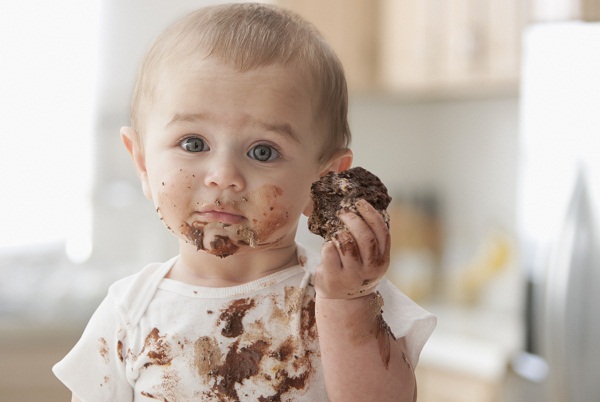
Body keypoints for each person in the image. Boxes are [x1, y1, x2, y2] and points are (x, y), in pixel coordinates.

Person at [53, 3, 436, 401]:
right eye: (193, 143)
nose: (223, 174)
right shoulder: (129, 313)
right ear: (143, 164)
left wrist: (349, 304)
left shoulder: (347, 294)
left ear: (323, 180)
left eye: (263, 152)